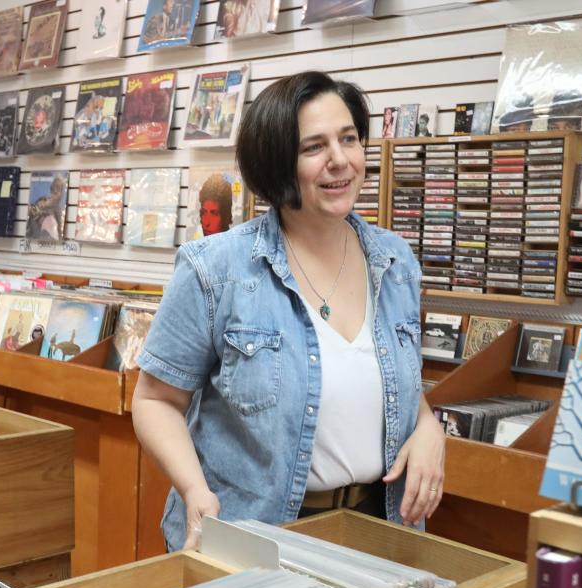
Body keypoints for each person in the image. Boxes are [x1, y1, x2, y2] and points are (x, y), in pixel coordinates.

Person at [132, 71, 445, 551]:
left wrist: (429, 430)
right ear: (278, 162)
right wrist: (194, 489)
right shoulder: (216, 268)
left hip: (380, 531)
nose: (340, 160)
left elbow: (395, 387)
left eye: (349, 139)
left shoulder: (396, 261)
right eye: (314, 147)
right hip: (257, 533)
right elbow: (155, 401)